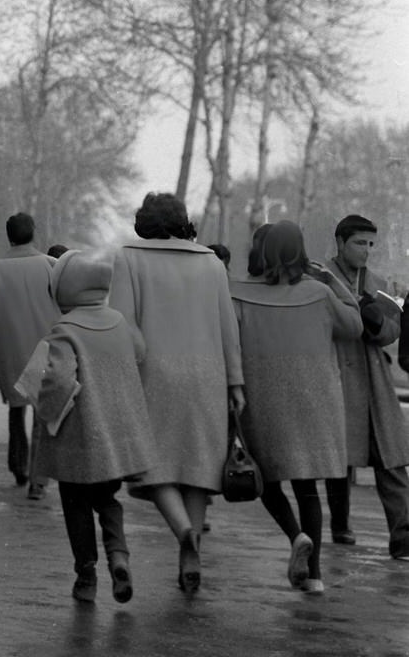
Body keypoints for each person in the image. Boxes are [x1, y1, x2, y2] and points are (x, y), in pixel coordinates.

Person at [108, 192, 244, 594]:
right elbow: (228, 328)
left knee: (154, 466)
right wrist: (235, 382)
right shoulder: (211, 262)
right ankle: (193, 546)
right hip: (207, 375)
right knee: (199, 466)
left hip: (154, 373)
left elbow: (123, 325)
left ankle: (183, 531)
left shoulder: (128, 258)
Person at [230, 222, 362, 593]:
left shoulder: (237, 294)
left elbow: (229, 343)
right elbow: (354, 325)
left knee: (264, 478)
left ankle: (295, 535)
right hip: (313, 399)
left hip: (262, 397)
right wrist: (333, 280)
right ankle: (315, 576)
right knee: (307, 488)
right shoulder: (319, 292)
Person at [20, 248, 155, 606]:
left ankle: (86, 575)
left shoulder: (64, 331)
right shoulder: (119, 322)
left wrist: (44, 407)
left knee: (76, 504)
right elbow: (140, 353)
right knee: (108, 500)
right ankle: (119, 556)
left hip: (77, 439)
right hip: (116, 437)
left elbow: (55, 381)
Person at [323, 214, 409, 559]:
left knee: (392, 456)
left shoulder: (378, 283)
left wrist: (374, 318)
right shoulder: (322, 279)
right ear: (340, 242)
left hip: (375, 379)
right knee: (339, 458)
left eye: (371, 244)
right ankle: (340, 524)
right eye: (360, 243)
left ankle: (403, 536)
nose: (367, 250)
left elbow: (392, 330)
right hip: (336, 373)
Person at [0, 211, 58, 498]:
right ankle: (37, 480)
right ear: (34, 233)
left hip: (9, 348)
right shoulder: (51, 266)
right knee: (41, 414)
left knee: (16, 409)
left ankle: (17, 466)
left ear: (9, 236)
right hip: (44, 348)